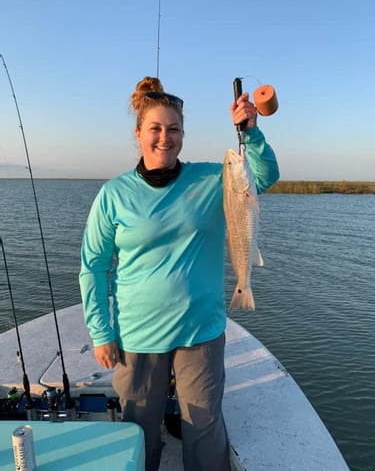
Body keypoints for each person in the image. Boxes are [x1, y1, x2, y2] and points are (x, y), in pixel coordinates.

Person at [79, 76, 279, 471]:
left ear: (183, 134)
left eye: (173, 129)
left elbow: (265, 176)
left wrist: (252, 134)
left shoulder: (210, 179)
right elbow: (94, 266)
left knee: (204, 429)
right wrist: (101, 332)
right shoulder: (114, 194)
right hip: (137, 336)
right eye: (155, 129)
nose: (164, 138)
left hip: (200, 331)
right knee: (139, 431)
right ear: (138, 134)